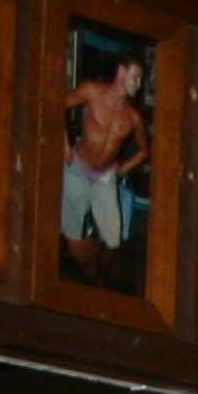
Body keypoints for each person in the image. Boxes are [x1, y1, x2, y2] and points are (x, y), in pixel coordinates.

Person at [62, 49, 149, 273]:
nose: (139, 84)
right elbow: (55, 105)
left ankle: (99, 277)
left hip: (105, 177)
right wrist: (65, 142)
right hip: (77, 169)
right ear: (121, 72)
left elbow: (144, 151)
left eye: (140, 79)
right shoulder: (91, 92)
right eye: (136, 77)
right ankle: (89, 276)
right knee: (72, 235)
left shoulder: (132, 117)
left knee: (113, 240)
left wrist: (123, 169)